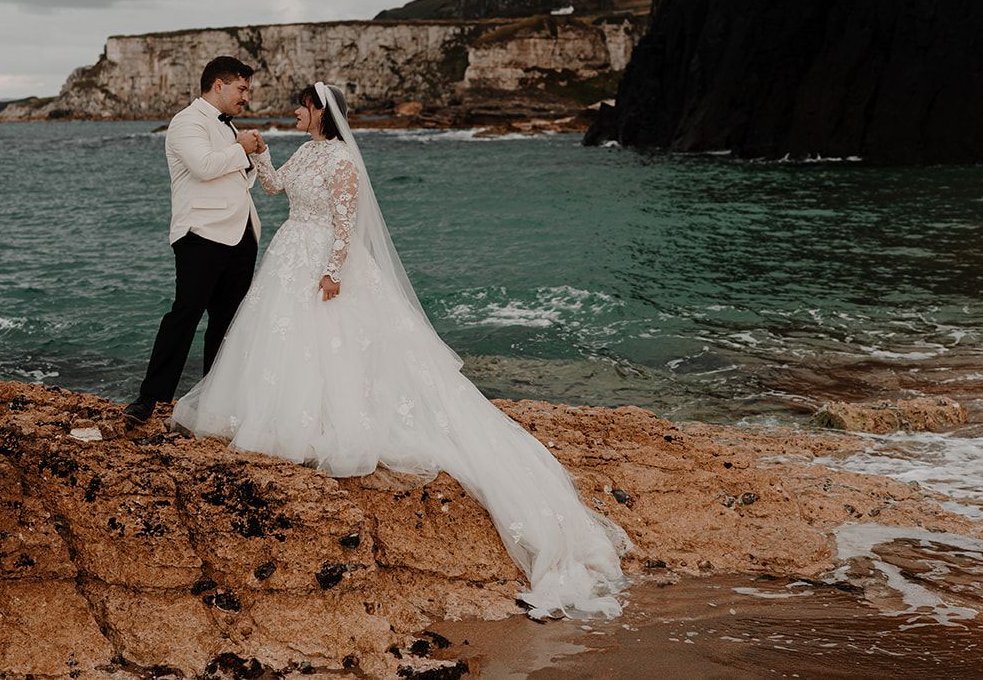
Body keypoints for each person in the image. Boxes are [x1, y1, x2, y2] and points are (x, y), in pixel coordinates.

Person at [170, 81, 630, 618]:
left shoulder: (341, 159)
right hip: (289, 253)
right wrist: (263, 154)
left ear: (319, 111)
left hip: (321, 263)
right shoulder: (308, 150)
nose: (294, 111)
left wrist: (333, 272)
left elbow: (346, 222)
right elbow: (274, 188)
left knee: (333, 345)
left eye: (301, 105)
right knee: (287, 346)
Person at [124, 56, 266, 426]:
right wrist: (242, 149)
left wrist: (246, 153)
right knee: (185, 315)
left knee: (226, 323)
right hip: (200, 234)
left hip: (240, 235)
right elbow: (203, 167)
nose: (246, 97)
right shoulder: (186, 121)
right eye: (242, 88)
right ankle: (148, 399)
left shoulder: (228, 127)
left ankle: (213, 404)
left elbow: (236, 177)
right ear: (219, 85)